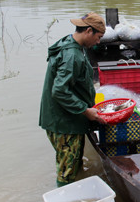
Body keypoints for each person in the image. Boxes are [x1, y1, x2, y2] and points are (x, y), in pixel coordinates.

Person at [39, 12, 107, 187]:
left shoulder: (72, 44)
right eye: (98, 37)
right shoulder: (72, 56)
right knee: (66, 171)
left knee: (74, 164)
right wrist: (86, 111)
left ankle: (78, 195)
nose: (98, 42)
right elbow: (60, 91)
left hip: (67, 118)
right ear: (88, 31)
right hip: (64, 123)